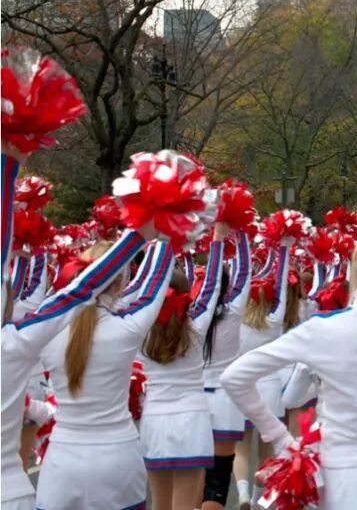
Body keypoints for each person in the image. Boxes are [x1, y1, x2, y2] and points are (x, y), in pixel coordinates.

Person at [222, 167, 357, 509]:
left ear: (354, 271)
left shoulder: (322, 329)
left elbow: (234, 377)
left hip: (343, 483)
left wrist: (279, 439)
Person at [2, 149, 153, 510]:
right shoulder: (15, 342)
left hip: (56, 475)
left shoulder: (31, 341)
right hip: (13, 493)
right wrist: (147, 234)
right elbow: (80, 291)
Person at [35, 237, 175, 510]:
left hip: (61, 463)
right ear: (122, 284)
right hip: (117, 460)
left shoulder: (47, 323)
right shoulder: (127, 328)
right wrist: (166, 229)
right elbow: (155, 283)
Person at [139, 225, 226, 510]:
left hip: (154, 420)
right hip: (192, 419)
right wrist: (218, 240)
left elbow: (135, 287)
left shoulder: (139, 326)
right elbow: (213, 285)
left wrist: (157, 243)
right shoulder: (196, 325)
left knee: (159, 505)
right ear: (188, 293)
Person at [232, 237, 291, 507]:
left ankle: (243, 494)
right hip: (270, 389)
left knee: (241, 449)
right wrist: (285, 249)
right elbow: (282, 290)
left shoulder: (237, 324)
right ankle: (259, 500)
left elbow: (236, 278)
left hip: (243, 390)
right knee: (268, 450)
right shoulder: (274, 322)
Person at [200, 229, 252, 510]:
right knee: (218, 479)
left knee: (195, 477)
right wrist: (239, 228)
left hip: (193, 398)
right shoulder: (232, 313)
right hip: (226, 399)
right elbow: (245, 270)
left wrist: (214, 242)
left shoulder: (188, 317)